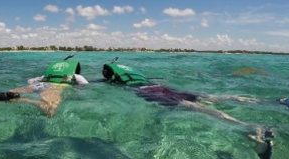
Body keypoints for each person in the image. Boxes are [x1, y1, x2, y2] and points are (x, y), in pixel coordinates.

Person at [102, 59, 266, 143]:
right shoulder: (140, 76)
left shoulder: (116, 82)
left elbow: (104, 84)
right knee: (210, 98)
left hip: (147, 92)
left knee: (194, 107)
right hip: (160, 86)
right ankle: (258, 101)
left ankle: (247, 126)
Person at [8, 58, 88, 117]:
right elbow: (85, 86)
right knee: (50, 111)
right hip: (55, 87)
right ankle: (27, 100)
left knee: (11, 92)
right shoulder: (77, 76)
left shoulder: (45, 76)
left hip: (39, 84)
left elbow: (30, 81)